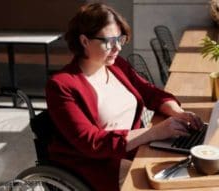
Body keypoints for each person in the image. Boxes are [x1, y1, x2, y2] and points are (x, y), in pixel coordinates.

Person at [45, 3, 203, 191]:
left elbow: (150, 92)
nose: (118, 47)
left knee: (192, 168)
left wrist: (177, 113)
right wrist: (155, 132)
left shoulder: (115, 65)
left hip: (135, 150)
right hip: (100, 166)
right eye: (109, 41)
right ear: (84, 41)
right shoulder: (62, 85)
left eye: (120, 38)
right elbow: (92, 143)